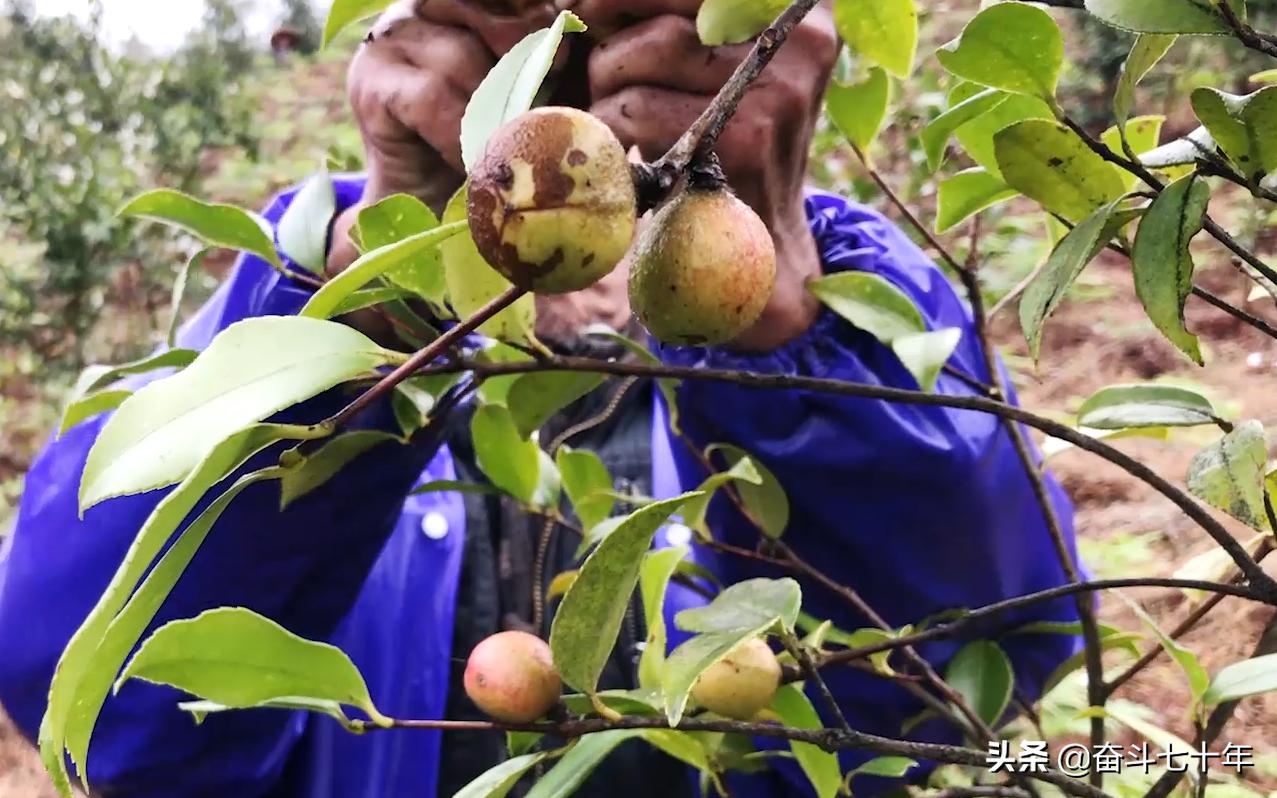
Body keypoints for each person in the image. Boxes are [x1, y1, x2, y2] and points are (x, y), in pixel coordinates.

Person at [0, 1, 1084, 796]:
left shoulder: (840, 303)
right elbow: (105, 715)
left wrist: (780, 312)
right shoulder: (297, 316)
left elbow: (976, 665)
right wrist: (366, 303)